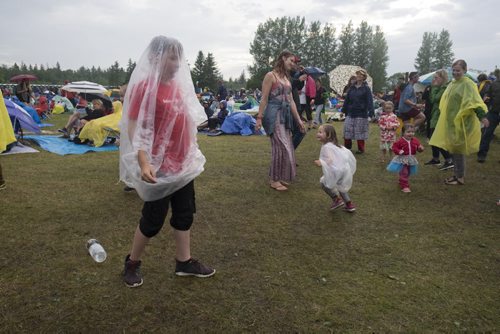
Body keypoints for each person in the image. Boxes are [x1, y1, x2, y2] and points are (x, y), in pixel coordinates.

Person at [119, 36, 214, 288]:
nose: (177, 64)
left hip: (182, 166)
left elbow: (186, 124)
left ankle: (184, 262)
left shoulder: (178, 87)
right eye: (172, 58)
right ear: (155, 58)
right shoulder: (144, 88)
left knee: (184, 214)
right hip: (158, 168)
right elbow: (134, 129)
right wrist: (143, 161)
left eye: (178, 58)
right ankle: (131, 263)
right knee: (152, 221)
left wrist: (190, 151)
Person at [429, 59, 489, 185]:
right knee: (453, 148)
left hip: (462, 122)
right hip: (451, 121)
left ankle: (460, 177)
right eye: (454, 70)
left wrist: (482, 116)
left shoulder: (468, 84)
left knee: (458, 150)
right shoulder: (453, 83)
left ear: (465, 70)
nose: (455, 73)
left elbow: (474, 102)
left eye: (458, 70)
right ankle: (456, 174)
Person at [254, 50, 305, 191]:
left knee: (288, 146)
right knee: (280, 146)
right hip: (273, 114)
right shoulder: (270, 76)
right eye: (291, 60)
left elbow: (292, 101)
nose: (293, 64)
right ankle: (274, 180)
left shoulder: (287, 79)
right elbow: (264, 98)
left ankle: (281, 177)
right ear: (283, 58)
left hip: (285, 116)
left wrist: (299, 120)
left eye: (294, 62)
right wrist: (259, 118)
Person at [314, 124, 356, 212]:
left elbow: (330, 159)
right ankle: (349, 205)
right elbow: (345, 154)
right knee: (341, 186)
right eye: (318, 132)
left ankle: (336, 199)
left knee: (323, 183)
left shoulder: (326, 147)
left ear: (328, 135)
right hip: (344, 170)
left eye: (320, 132)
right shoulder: (336, 145)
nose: (318, 134)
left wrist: (322, 162)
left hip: (336, 171)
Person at [423, 69, 453, 170]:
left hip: (440, 116)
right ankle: (436, 158)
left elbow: (434, 98)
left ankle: (449, 160)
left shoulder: (444, 88)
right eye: (434, 77)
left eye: (436, 77)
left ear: (442, 78)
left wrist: (434, 87)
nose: (434, 79)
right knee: (432, 137)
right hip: (435, 114)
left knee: (437, 138)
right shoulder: (440, 87)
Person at [342, 69, 374, 154]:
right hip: (350, 112)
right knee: (347, 129)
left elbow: (370, 100)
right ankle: (347, 147)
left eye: (361, 75)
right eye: (357, 75)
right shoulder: (351, 88)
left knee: (360, 131)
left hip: (361, 113)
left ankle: (361, 149)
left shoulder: (366, 88)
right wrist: (343, 110)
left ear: (364, 77)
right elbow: (347, 100)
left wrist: (371, 112)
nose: (358, 76)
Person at [387, 124, 424, 193]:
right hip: (402, 159)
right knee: (404, 172)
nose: (411, 133)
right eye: (408, 132)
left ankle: (402, 180)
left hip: (411, 159)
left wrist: (420, 149)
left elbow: (419, 148)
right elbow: (394, 147)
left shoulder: (415, 140)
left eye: (412, 132)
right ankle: (405, 186)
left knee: (408, 172)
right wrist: (399, 151)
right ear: (403, 133)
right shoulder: (400, 141)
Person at [477, 69, 500, 163]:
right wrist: (486, 98)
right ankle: (481, 155)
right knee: (487, 133)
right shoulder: (494, 84)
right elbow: (488, 94)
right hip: (493, 112)